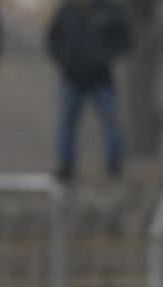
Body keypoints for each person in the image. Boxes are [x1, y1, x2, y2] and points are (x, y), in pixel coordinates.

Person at [47, 0, 132, 182]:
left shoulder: (109, 10)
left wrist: (106, 55)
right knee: (67, 124)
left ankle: (114, 167)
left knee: (110, 122)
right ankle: (66, 168)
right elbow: (51, 39)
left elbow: (125, 39)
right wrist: (63, 58)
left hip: (100, 78)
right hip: (71, 77)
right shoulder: (66, 11)